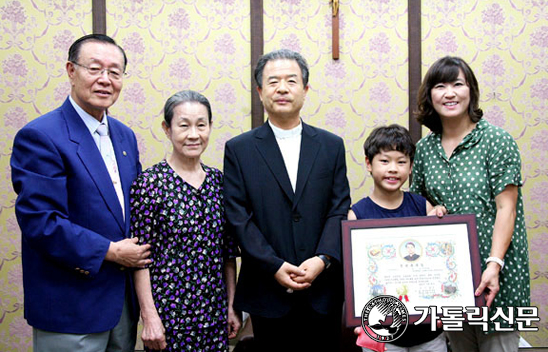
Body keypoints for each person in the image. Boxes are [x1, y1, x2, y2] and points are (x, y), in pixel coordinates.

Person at [10, 34, 150, 351]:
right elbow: (40, 223)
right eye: (94, 68)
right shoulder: (41, 135)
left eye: (115, 72)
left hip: (121, 308)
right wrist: (111, 252)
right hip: (70, 307)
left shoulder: (125, 136)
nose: (105, 80)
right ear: (71, 71)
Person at [223, 49, 351, 352]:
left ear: (305, 90)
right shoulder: (239, 149)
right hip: (267, 289)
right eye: (273, 81)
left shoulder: (331, 146)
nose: (282, 88)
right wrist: (275, 265)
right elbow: (238, 216)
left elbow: (339, 208)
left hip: (323, 289)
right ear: (259, 91)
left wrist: (322, 260)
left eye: (291, 81)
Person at [411, 56, 530, 352]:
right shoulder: (425, 148)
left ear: (471, 91)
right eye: (440, 86)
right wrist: (431, 210)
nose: (449, 93)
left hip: (497, 274)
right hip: (449, 279)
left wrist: (494, 264)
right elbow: (418, 204)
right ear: (430, 96)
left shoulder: (496, 140)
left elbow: (507, 208)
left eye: (457, 84)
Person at [131, 90, 241, 351]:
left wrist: (232, 306)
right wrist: (149, 317)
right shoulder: (149, 184)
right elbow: (139, 260)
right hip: (169, 317)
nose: (194, 134)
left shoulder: (219, 182)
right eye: (184, 125)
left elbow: (228, 253)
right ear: (167, 129)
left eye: (201, 125)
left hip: (214, 316)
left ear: (210, 127)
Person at [349, 124, 447, 352]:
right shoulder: (357, 214)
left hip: (428, 333)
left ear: (411, 167)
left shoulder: (423, 206)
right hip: (382, 334)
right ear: (368, 164)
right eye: (384, 161)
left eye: (401, 162)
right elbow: (356, 276)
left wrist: (442, 224)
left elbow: (439, 264)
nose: (393, 169)